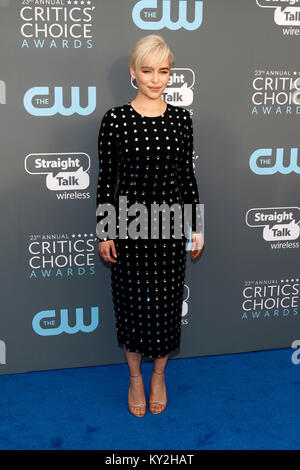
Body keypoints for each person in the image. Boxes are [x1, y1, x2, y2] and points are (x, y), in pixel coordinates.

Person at [96, 34, 204, 417]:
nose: (156, 79)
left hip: (170, 227)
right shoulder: (116, 120)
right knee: (130, 306)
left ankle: (158, 375)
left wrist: (196, 225)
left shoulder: (181, 119)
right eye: (147, 70)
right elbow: (107, 180)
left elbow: (186, 178)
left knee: (165, 306)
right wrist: (105, 230)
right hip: (129, 228)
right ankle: (135, 379)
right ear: (133, 72)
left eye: (163, 71)